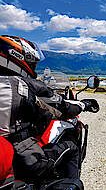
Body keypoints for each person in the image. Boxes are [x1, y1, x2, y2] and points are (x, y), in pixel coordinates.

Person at [0, 35, 97, 184]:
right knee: (71, 149)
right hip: (22, 160)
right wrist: (84, 105)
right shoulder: (22, 85)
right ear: (17, 58)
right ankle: (72, 184)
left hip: (7, 157)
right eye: (32, 63)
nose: (34, 68)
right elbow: (62, 106)